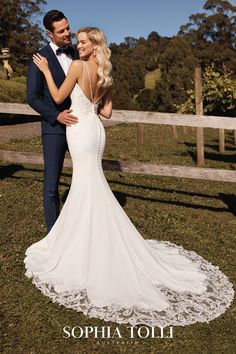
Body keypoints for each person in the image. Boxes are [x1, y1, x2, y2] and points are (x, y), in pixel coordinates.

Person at [24, 27, 234, 327]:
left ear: (94, 45)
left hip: (80, 131)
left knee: (86, 185)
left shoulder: (79, 66)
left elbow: (58, 97)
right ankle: (93, 235)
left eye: (83, 42)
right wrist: (93, 101)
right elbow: (107, 112)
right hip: (96, 131)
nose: (78, 46)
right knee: (91, 185)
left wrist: (45, 70)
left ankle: (87, 245)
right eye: (78, 42)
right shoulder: (105, 73)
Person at [27, 10, 79, 232]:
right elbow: (32, 97)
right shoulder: (40, 58)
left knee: (83, 180)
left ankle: (78, 228)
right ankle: (53, 235)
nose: (68, 33)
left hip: (79, 127)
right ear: (49, 33)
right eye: (62, 31)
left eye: (68, 27)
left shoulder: (77, 53)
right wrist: (56, 115)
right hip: (54, 130)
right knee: (51, 185)